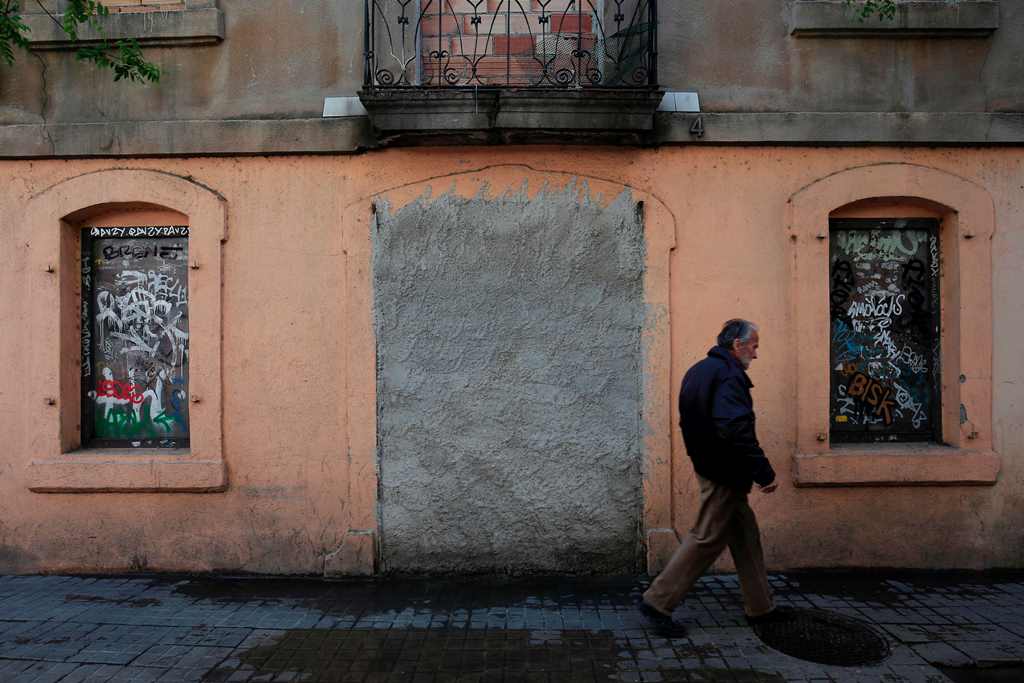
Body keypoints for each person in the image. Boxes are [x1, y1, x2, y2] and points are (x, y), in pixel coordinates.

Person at [639, 319, 779, 635]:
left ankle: (761, 607)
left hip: (709, 466)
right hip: (724, 472)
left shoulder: (700, 370)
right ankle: (657, 602)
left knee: (745, 536)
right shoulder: (729, 376)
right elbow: (736, 429)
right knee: (707, 538)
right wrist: (764, 472)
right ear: (737, 345)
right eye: (754, 346)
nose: (756, 354)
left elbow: (689, 421)